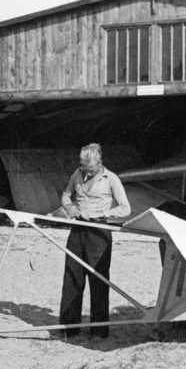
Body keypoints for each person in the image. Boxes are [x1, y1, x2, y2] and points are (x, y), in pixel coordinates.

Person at [59, 143, 131, 339]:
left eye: (90, 169)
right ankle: (69, 328)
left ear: (99, 163)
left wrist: (102, 214)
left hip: (99, 233)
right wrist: (70, 207)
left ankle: (99, 331)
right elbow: (66, 195)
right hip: (78, 230)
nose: (87, 173)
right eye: (84, 168)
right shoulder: (77, 174)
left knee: (98, 280)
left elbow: (125, 209)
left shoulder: (112, 179)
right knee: (72, 277)